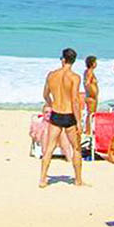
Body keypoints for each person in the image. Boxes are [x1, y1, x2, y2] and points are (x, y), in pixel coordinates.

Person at [39, 48, 84, 188]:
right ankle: (78, 180)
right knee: (76, 148)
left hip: (56, 113)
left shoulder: (51, 75)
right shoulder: (74, 77)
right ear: (73, 61)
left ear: (63, 59)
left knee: (49, 147)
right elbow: (75, 100)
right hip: (69, 114)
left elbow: (45, 94)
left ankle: (42, 179)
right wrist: (78, 121)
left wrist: (52, 104)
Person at [83, 55, 99, 126]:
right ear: (92, 63)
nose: (96, 63)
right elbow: (87, 84)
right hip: (91, 97)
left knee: (90, 114)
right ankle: (88, 131)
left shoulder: (87, 72)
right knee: (91, 115)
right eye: (95, 62)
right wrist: (93, 94)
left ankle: (88, 130)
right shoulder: (90, 72)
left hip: (90, 96)